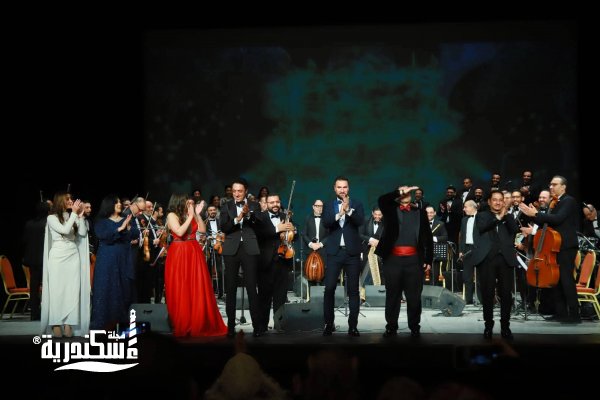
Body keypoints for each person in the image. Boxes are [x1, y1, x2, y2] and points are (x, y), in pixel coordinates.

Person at [519, 175, 581, 323]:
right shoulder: (554, 202)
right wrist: (534, 216)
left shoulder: (568, 201)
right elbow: (547, 223)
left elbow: (558, 219)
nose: (551, 187)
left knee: (566, 280)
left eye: (555, 184)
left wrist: (536, 214)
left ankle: (574, 315)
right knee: (556, 281)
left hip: (566, 246)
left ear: (563, 187)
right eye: (550, 184)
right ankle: (560, 313)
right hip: (554, 246)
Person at [165, 193, 227, 337]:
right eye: (187, 202)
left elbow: (202, 230)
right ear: (179, 202)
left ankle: (198, 321)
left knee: (196, 285)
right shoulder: (172, 215)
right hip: (180, 252)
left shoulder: (190, 214)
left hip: (193, 251)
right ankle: (184, 322)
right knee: (182, 286)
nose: (189, 204)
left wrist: (197, 215)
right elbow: (179, 232)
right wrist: (191, 215)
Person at [377, 185, 432, 338]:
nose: (407, 194)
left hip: (414, 260)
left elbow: (427, 237)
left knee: (414, 297)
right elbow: (382, 200)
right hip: (393, 259)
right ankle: (391, 326)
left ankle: (414, 327)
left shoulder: (420, 212)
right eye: (403, 191)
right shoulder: (390, 210)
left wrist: (428, 259)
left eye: (409, 192)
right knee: (393, 295)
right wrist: (399, 192)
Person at [41, 191, 90, 337]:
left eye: (71, 199)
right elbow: (64, 230)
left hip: (72, 255)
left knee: (72, 290)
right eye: (67, 199)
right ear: (60, 201)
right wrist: (74, 214)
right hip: (58, 256)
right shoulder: (51, 218)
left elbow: (82, 233)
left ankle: (69, 323)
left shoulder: (71, 216)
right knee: (57, 290)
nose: (71, 201)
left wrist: (80, 217)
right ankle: (56, 323)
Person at [471, 190, 520, 339]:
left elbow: (515, 230)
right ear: (490, 202)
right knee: (487, 294)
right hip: (487, 259)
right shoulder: (482, 216)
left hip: (505, 259)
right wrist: (499, 217)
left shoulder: (508, 216)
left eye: (500, 200)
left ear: (504, 202)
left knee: (506, 294)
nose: (498, 202)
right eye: (495, 200)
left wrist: (507, 215)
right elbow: (483, 228)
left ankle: (505, 326)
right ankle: (488, 325)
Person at [321, 176, 365, 336]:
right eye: (339, 187)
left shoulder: (357, 204)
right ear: (334, 188)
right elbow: (326, 223)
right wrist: (340, 213)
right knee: (329, 288)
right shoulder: (328, 205)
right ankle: (328, 324)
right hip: (334, 252)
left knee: (353, 291)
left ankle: (353, 326)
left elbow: (360, 221)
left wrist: (349, 211)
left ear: (348, 188)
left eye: (344, 187)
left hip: (352, 253)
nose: (342, 190)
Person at [219, 178, 263, 337]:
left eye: (240, 191)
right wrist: (238, 218)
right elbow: (224, 227)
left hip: (249, 248)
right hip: (231, 249)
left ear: (246, 191)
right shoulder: (226, 206)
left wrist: (248, 214)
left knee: (251, 288)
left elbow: (259, 224)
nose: (236, 194)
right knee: (230, 289)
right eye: (234, 191)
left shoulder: (254, 205)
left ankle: (257, 327)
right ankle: (230, 327)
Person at [91, 195, 136, 331]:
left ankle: (122, 323)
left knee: (123, 287)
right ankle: (103, 324)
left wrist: (128, 228)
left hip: (123, 257)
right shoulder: (101, 222)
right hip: (107, 258)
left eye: (119, 202)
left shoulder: (126, 219)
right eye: (115, 202)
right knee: (106, 287)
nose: (119, 204)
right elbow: (103, 235)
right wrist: (119, 229)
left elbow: (134, 234)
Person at [256, 193, 296, 332]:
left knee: (281, 296)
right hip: (265, 262)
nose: (275, 205)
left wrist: (293, 231)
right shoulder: (259, 217)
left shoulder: (286, 217)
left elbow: (294, 236)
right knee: (264, 297)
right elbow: (259, 235)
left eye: (277, 202)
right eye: (272, 202)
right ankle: (262, 326)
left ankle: (279, 325)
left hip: (283, 260)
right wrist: (277, 229)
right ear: (266, 204)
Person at [22, 201, 50, 321]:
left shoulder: (29, 223)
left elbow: (24, 240)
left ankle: (34, 313)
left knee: (34, 286)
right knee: (48, 286)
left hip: (32, 259)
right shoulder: (48, 223)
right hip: (45, 259)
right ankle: (48, 312)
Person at [459, 200, 479, 305]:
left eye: (465, 207)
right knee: (467, 276)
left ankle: (482, 300)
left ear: (472, 207)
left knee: (480, 275)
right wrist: (461, 251)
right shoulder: (464, 220)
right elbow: (462, 236)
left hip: (479, 249)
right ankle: (469, 300)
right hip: (467, 249)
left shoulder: (481, 218)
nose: (464, 209)